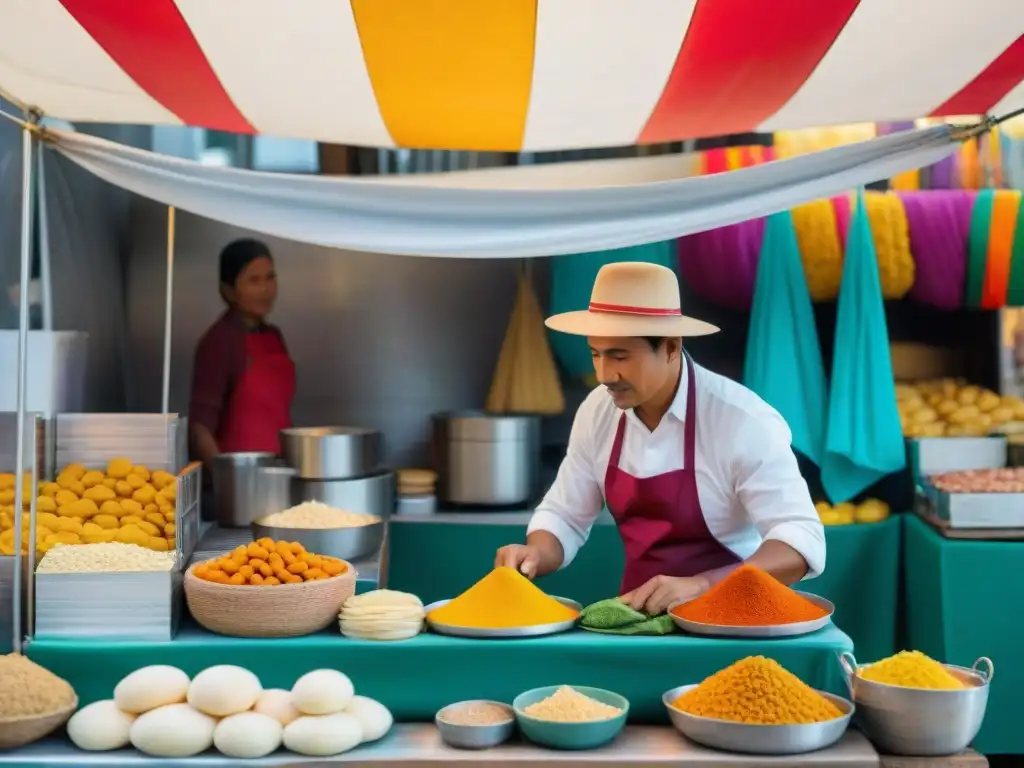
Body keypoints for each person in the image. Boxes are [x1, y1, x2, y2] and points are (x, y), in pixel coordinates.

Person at [495, 262, 825, 615]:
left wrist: (703, 586)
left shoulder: (742, 420)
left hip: (733, 622)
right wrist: (537, 553)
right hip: (640, 619)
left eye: (620, 356)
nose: (605, 374)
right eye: (596, 354)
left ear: (670, 346)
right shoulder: (597, 411)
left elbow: (800, 541)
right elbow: (564, 514)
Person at [189, 239, 295, 467]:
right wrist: (226, 481)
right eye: (253, 280)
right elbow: (200, 428)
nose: (266, 289)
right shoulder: (218, 342)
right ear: (228, 291)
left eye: (270, 277)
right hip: (239, 481)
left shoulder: (274, 336)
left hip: (277, 473)